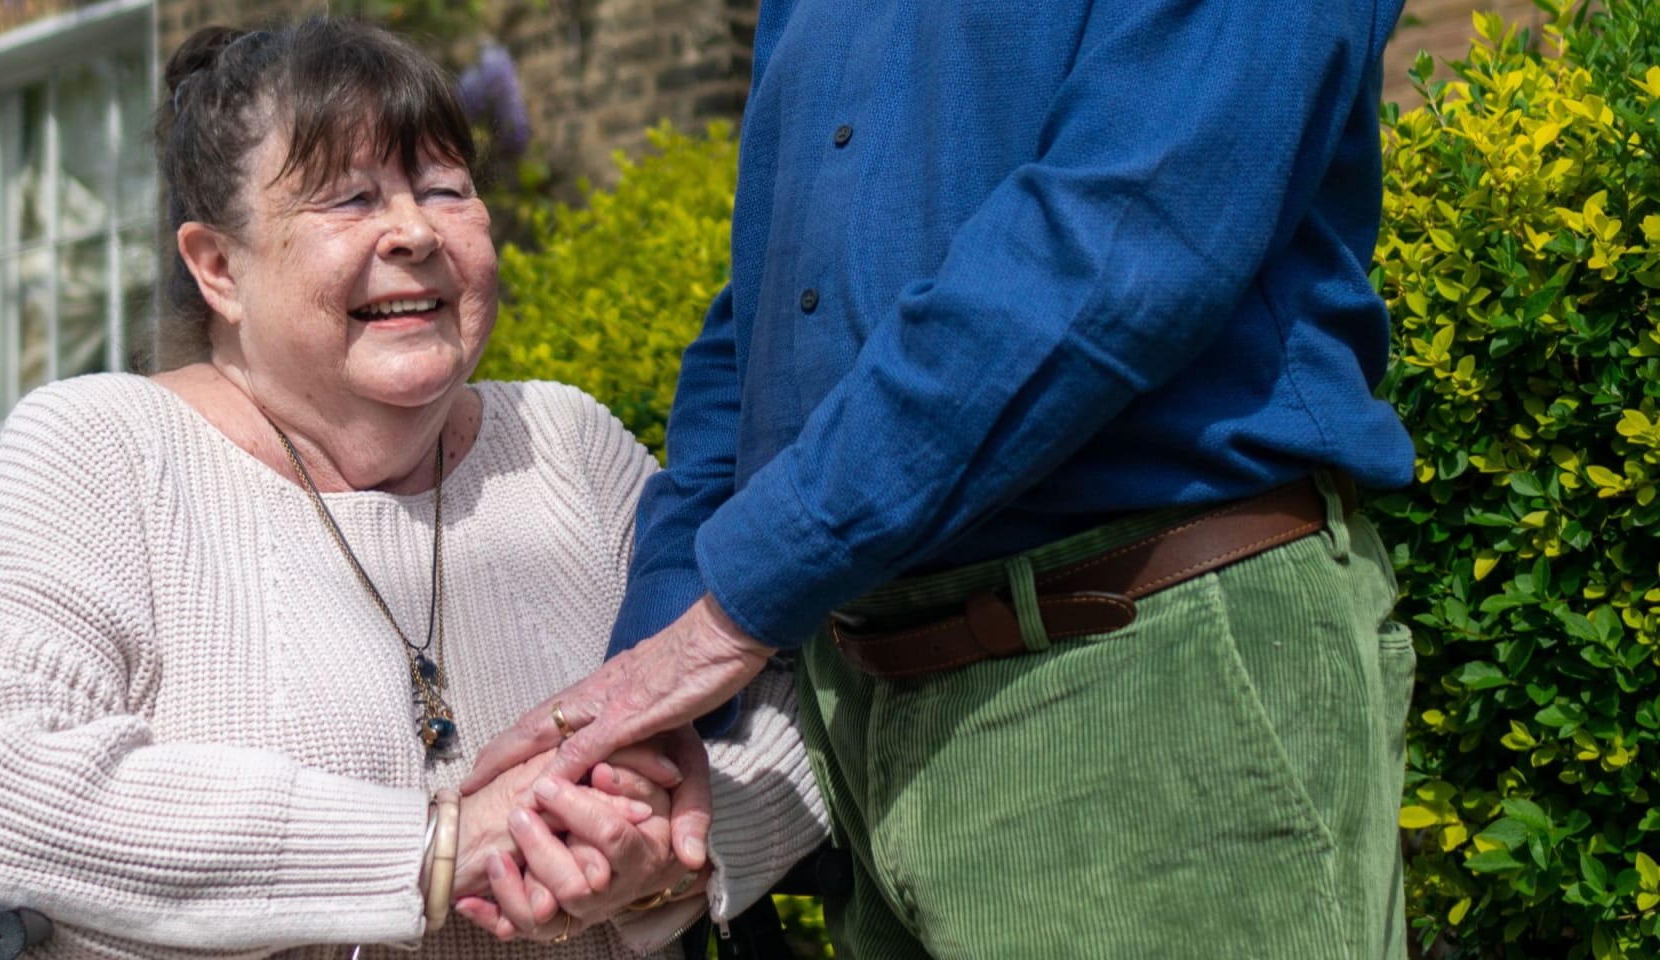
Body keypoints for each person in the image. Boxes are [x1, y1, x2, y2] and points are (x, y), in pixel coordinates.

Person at [0, 18, 825, 960]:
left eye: (445, 188)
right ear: (217, 268)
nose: (412, 231)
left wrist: (669, 856)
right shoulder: (102, 450)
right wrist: (433, 847)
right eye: (350, 200)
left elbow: (797, 703)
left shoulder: (564, 444)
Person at [465, 1, 1420, 957]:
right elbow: (767, 313)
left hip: (1146, 676)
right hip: (872, 713)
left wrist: (730, 614)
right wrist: (657, 689)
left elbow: (1123, 242)